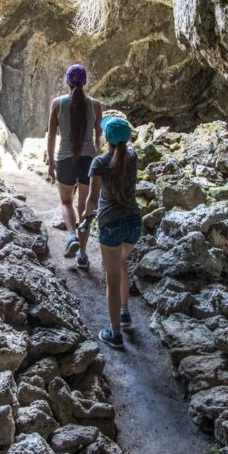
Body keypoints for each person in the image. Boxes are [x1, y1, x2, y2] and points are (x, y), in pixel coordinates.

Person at [83, 115, 140, 349]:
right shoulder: (133, 157)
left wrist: (85, 218)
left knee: (112, 278)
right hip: (134, 222)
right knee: (123, 263)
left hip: (111, 223)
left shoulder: (99, 163)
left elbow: (92, 199)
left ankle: (115, 334)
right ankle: (125, 312)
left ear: (106, 137)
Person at [46, 64, 103, 268]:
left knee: (66, 202)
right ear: (85, 82)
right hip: (89, 161)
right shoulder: (95, 105)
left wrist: (51, 160)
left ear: (67, 82)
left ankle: (72, 237)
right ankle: (82, 254)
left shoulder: (58, 103)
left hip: (65, 159)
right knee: (84, 206)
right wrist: (95, 154)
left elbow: (52, 134)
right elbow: (99, 137)